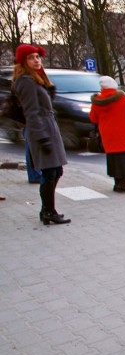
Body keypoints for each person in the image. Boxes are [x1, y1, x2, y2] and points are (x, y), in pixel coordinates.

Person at [13, 44, 70, 225]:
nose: (36, 60)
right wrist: (42, 136)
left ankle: (48, 210)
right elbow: (31, 112)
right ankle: (48, 211)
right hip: (41, 130)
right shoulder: (25, 82)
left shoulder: (36, 79)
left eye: (37, 57)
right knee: (49, 172)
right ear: (23, 62)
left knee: (56, 170)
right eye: (31, 58)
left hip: (48, 127)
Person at [89, 76, 125, 193]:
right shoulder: (123, 98)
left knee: (113, 159)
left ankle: (117, 184)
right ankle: (123, 184)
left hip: (107, 134)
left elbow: (93, 118)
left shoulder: (97, 101)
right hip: (124, 133)